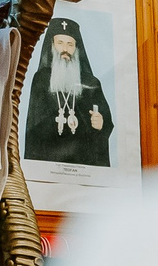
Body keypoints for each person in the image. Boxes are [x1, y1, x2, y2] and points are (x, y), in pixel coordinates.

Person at [23, 27, 113, 167]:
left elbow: (106, 122)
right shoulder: (41, 79)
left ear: (77, 48)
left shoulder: (91, 82)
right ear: (52, 45)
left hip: (83, 161)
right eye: (60, 43)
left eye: (70, 44)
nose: (65, 49)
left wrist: (101, 124)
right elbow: (33, 125)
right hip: (49, 160)